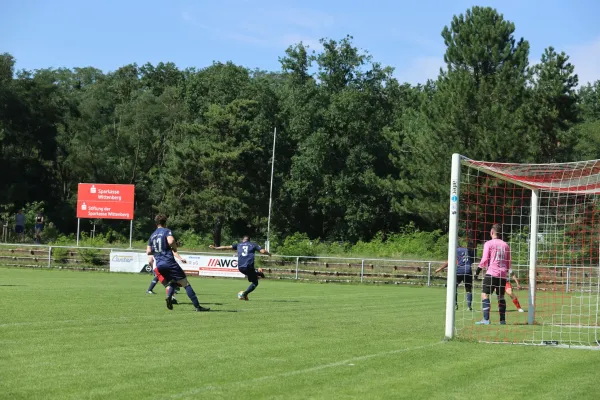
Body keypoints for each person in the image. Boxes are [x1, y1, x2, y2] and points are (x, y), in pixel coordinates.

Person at [147, 214, 209, 312]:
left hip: (159, 264)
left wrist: (158, 251)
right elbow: (171, 241)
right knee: (185, 283)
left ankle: (169, 297)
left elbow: (148, 251)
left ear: (156, 223)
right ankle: (198, 307)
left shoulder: (152, 235)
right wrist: (174, 248)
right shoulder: (166, 231)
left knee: (173, 282)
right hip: (169, 262)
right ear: (165, 222)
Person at [210, 235, 271, 300]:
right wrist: (269, 253)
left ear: (243, 240)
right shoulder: (253, 245)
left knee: (254, 275)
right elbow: (263, 251)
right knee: (255, 282)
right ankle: (245, 293)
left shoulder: (238, 245)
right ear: (249, 240)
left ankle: (259, 273)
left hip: (241, 268)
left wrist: (215, 248)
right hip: (249, 267)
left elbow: (226, 247)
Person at [476, 223, 511, 325]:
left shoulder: (489, 243)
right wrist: (506, 271)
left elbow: (485, 258)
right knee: (501, 297)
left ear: (492, 232)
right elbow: (508, 261)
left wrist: (478, 270)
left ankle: (486, 319)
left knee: (485, 294)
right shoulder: (506, 245)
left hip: (491, 273)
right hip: (502, 275)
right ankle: (502, 320)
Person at [434, 240, 475, 311]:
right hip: (468, 271)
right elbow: (472, 260)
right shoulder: (468, 250)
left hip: (459, 271)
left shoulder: (455, 250)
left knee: (453, 287)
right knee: (468, 289)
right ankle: (469, 306)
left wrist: (440, 268)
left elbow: (449, 261)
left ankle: (455, 305)